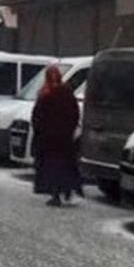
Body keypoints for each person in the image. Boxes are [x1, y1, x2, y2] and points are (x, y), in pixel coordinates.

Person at [32, 66, 82, 207]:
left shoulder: (45, 93)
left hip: (50, 139)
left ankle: (56, 194)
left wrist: (40, 132)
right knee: (64, 167)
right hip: (63, 139)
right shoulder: (65, 92)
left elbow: (38, 116)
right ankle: (66, 191)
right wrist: (69, 129)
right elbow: (74, 113)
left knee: (52, 168)